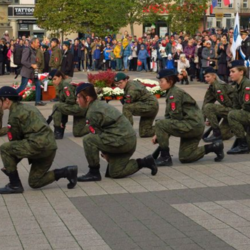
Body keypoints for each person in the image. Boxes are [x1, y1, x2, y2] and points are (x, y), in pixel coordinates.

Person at [0, 86, 78, 194]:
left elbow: (14, 142)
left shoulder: (14, 115)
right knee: (35, 182)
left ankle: (14, 185)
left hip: (38, 146)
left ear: (6, 100)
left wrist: (10, 165)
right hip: (50, 147)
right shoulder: (28, 107)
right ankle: (67, 172)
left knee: (4, 148)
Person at [75, 83, 157, 182]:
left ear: (87, 98)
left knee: (88, 140)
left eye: (79, 97)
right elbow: (104, 131)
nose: (77, 100)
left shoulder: (93, 112)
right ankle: (145, 162)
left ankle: (94, 172)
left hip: (122, 141)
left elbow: (97, 134)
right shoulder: (97, 105)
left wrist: (105, 152)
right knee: (115, 172)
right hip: (126, 140)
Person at [151, 69, 224, 167]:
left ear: (170, 81)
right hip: (192, 126)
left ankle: (165, 157)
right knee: (185, 157)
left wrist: (161, 130)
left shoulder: (175, 94)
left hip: (192, 126)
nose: (160, 84)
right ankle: (214, 147)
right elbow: (169, 117)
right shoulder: (171, 92)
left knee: (160, 123)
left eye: (162, 81)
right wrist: (160, 134)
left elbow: (175, 118)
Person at [114, 73, 159, 137]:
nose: (118, 85)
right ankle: (162, 127)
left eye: (120, 83)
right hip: (149, 105)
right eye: (116, 83)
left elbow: (128, 103)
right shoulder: (129, 84)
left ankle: (128, 132)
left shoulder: (132, 88)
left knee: (127, 107)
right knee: (145, 132)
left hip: (150, 106)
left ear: (126, 80)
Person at [49, 70, 89, 139]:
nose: (53, 81)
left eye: (55, 79)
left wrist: (62, 121)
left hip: (80, 107)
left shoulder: (65, 85)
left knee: (57, 106)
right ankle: (94, 127)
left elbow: (70, 100)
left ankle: (58, 130)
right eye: (52, 80)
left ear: (60, 77)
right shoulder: (61, 85)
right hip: (79, 108)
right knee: (77, 133)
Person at [202, 67, 234, 142]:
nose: (206, 79)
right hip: (229, 111)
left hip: (235, 111)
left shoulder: (219, 86)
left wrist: (216, 115)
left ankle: (216, 133)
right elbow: (206, 101)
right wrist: (203, 120)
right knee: (224, 136)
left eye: (208, 76)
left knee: (209, 107)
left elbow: (229, 104)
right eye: (205, 77)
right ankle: (233, 129)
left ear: (214, 76)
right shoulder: (212, 87)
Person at [227, 60, 250, 154]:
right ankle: (243, 142)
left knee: (232, 115)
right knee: (233, 114)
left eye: (233, 71)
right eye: (230, 72)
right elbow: (235, 106)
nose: (230, 74)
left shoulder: (247, 84)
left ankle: (243, 145)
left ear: (241, 72)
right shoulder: (237, 86)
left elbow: (248, 105)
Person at [17, 38, 46, 106]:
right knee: (23, 87)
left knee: (38, 85)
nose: (39, 44)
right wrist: (31, 65)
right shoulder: (27, 49)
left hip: (34, 72)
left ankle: (38, 101)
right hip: (27, 72)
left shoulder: (34, 50)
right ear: (33, 43)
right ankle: (10, 96)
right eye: (38, 42)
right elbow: (23, 61)